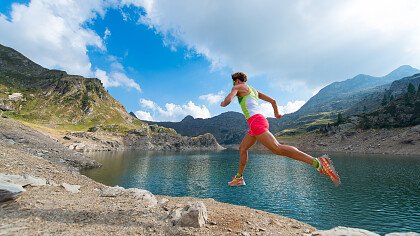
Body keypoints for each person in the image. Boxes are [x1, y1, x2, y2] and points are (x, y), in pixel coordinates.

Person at [220, 72, 340, 187]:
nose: (234, 85)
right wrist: (276, 114)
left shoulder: (237, 87)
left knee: (277, 148)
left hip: (256, 122)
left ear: (236, 80)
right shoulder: (254, 91)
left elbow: (228, 100)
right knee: (243, 148)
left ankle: (318, 162)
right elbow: (273, 101)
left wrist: (223, 102)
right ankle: (239, 178)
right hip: (258, 122)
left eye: (234, 83)